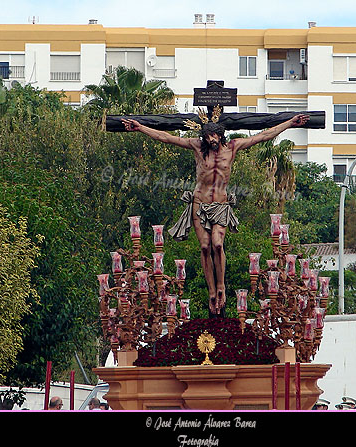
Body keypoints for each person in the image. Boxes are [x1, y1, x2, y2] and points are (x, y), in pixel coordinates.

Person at [122, 113, 309, 316]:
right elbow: (166, 137)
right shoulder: (197, 147)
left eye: (214, 135)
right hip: (199, 203)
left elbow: (263, 136)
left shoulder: (233, 147)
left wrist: (290, 123)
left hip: (220, 204)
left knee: (217, 245)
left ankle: (221, 286)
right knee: (204, 247)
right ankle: (211, 291)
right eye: (207, 135)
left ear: (221, 135)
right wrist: (140, 127)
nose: (211, 139)